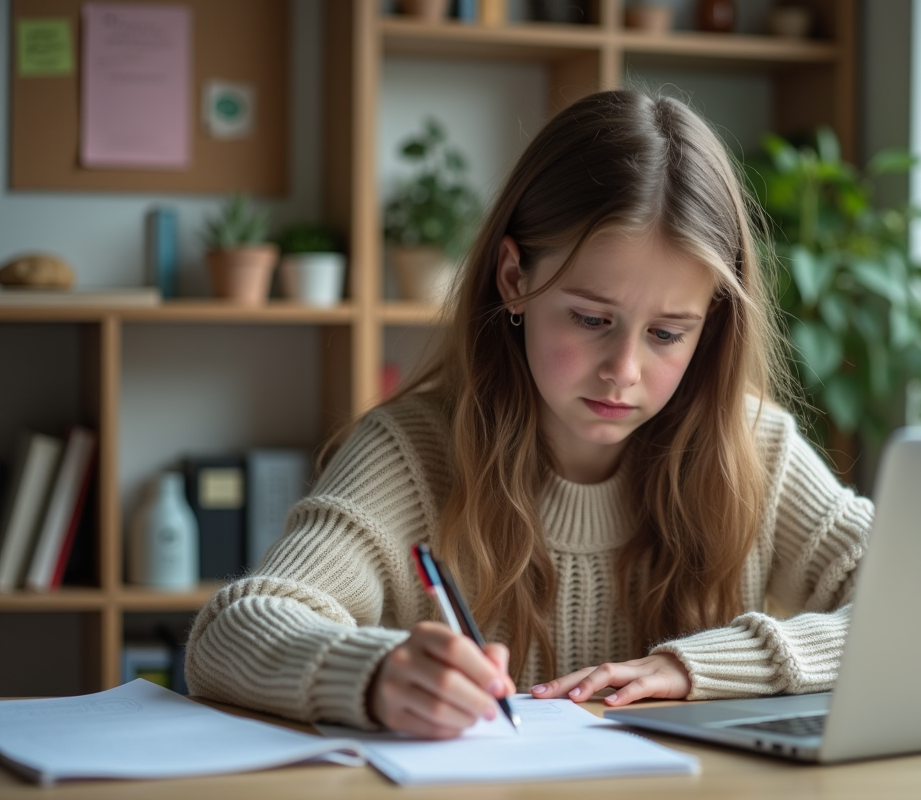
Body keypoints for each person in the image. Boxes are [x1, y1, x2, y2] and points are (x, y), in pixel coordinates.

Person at [185, 89, 873, 739]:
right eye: (590, 318)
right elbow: (233, 630)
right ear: (514, 279)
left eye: (668, 333)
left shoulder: (755, 448)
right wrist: (373, 675)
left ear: (711, 325)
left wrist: (697, 668)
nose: (624, 371)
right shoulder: (410, 453)